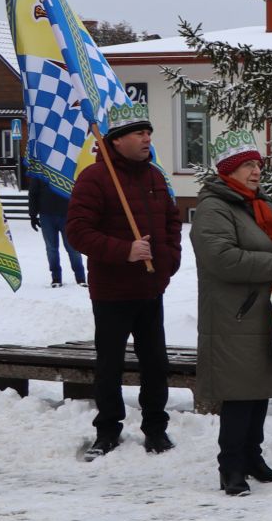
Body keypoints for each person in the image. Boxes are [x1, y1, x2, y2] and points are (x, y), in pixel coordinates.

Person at [190, 128, 272, 496]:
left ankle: (252, 458)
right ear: (228, 170)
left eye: (258, 165)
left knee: (259, 390)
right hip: (234, 316)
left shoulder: (260, 204)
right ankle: (230, 467)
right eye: (247, 166)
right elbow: (220, 257)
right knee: (239, 394)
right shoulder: (214, 207)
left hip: (265, 313)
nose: (256, 171)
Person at [64, 102, 183, 458]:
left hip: (150, 289)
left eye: (148, 133)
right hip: (112, 291)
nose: (147, 139)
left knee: (155, 364)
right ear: (116, 140)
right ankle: (107, 430)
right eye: (139, 133)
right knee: (110, 364)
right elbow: (78, 232)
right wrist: (124, 250)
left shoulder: (154, 176)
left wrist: (169, 260)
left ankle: (156, 429)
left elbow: (172, 222)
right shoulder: (94, 178)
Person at [26, 172, 85, 287]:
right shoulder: (40, 170)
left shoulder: (69, 168)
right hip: (46, 215)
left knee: (73, 248)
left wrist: (80, 213)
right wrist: (33, 215)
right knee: (51, 249)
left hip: (68, 215)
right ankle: (56, 278)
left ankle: (80, 278)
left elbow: (80, 192)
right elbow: (33, 193)